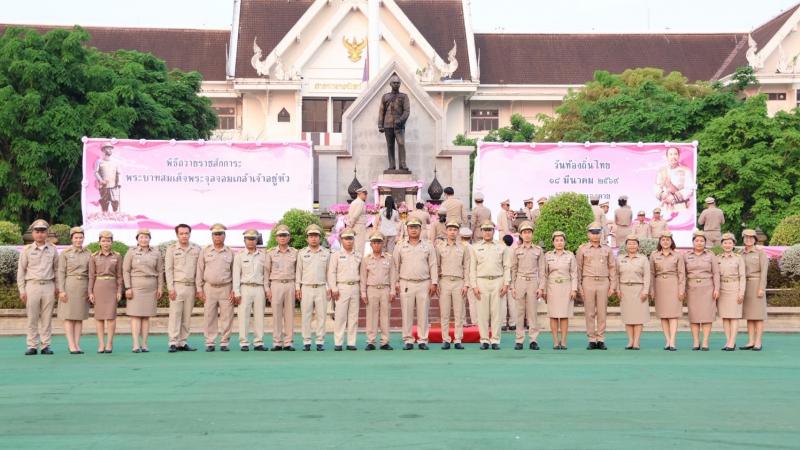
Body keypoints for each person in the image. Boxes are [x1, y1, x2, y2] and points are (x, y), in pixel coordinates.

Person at [394, 217, 438, 350]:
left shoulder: (428, 245)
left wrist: (434, 282)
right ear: (407, 229)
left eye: (416, 227)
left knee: (423, 313)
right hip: (406, 283)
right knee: (406, 313)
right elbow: (395, 266)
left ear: (420, 229)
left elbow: (433, 264)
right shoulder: (400, 245)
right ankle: (408, 339)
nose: (413, 230)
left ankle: (422, 339)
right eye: (411, 227)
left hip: (424, 283)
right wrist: (396, 282)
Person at [18, 219, 59, 355]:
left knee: (47, 318)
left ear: (46, 233)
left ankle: (46, 345)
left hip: (48, 285)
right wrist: (22, 290)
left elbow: (57, 270)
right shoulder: (27, 250)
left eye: (42, 231)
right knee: (32, 317)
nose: (40, 234)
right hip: (32, 286)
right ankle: (32, 345)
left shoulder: (53, 249)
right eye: (37, 231)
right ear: (33, 233)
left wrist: (58, 287)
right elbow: (21, 271)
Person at [469, 220, 511, 350]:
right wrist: (474, 285)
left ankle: (495, 340)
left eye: (490, 230)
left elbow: (507, 266)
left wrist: (506, 283)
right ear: (481, 231)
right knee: (482, 313)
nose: (487, 232)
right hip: (481, 281)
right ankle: (484, 340)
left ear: (494, 231)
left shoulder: (502, 247)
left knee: (497, 313)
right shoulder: (474, 247)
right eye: (485, 230)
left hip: (498, 280)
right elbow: (472, 268)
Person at [576, 222, 617, 350]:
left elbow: (612, 267)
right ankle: (591, 339)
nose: (595, 235)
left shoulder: (607, 249)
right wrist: (579, 286)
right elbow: (578, 268)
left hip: (603, 282)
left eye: (597, 232)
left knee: (602, 311)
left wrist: (612, 285)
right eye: (592, 232)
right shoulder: (582, 249)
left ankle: (600, 338)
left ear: (601, 233)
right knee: (589, 312)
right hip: (588, 281)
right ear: (588, 234)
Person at [196, 223, 235, 352]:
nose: (217, 236)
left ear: (224, 236)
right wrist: (199, 289)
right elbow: (199, 270)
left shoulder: (230, 252)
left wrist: (234, 290)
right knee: (209, 316)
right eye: (215, 234)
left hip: (226, 287)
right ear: (212, 236)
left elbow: (234, 272)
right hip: (209, 288)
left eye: (220, 234)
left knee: (227, 316)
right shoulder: (205, 251)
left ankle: (224, 342)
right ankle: (210, 342)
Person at [123, 228, 163, 353]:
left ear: (150, 239)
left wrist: (160, 287)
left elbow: (160, 271)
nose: (144, 239)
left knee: (146, 316)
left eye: (146, 237)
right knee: (135, 315)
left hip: (151, 287)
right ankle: (135, 344)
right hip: (136, 286)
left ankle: (144, 344)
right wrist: (128, 287)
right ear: (137, 239)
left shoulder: (156, 253)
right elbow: (126, 271)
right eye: (141, 237)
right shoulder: (131, 252)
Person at [164, 224, 200, 352]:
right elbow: (168, 270)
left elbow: (199, 270)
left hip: (191, 286)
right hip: (177, 286)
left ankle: (183, 342)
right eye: (181, 233)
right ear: (177, 235)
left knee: (187, 316)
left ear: (190, 234)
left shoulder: (196, 249)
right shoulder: (172, 249)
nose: (184, 236)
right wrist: (170, 288)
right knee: (175, 315)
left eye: (186, 233)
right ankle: (173, 342)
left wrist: (198, 288)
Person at [511, 221, 546, 350]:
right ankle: (519, 340)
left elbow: (542, 270)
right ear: (521, 235)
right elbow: (513, 269)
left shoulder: (538, 250)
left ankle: (533, 340)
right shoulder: (516, 250)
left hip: (532, 282)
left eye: (529, 232)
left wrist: (541, 287)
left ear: (532, 234)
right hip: (520, 281)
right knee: (519, 312)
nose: (527, 235)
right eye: (524, 232)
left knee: (532, 313)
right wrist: (512, 286)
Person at [296, 224, 331, 351]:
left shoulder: (326, 253)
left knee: (321, 316)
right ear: (307, 238)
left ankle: (320, 341)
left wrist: (329, 287)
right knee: (306, 316)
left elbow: (329, 272)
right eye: (311, 236)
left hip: (321, 287)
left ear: (320, 238)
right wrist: (297, 287)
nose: (313, 238)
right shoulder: (302, 253)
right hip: (306, 287)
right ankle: (306, 341)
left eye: (316, 236)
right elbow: (298, 271)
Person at [56, 226, 90, 354]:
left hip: (83, 286)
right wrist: (61, 290)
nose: (78, 240)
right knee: (69, 316)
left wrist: (90, 290)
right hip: (69, 285)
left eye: (81, 237)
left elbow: (91, 273)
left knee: (79, 316)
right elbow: (61, 272)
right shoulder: (65, 253)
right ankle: (71, 345)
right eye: (76, 238)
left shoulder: (88, 253)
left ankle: (77, 344)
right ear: (71, 239)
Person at [436, 220, 469, 350]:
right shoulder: (440, 247)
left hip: (459, 282)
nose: (452, 232)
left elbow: (466, 266)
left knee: (459, 313)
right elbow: (437, 266)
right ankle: (445, 339)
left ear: (458, 231)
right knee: (444, 313)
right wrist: (436, 282)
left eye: (455, 230)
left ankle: (458, 339)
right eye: (450, 229)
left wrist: (466, 284)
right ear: (446, 231)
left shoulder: (463, 247)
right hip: (444, 281)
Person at [684, 230, 720, 351]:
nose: (699, 243)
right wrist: (683, 289)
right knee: (694, 316)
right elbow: (682, 274)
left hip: (707, 288)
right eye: (697, 241)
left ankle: (705, 342)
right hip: (692, 288)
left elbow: (716, 273)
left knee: (707, 316)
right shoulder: (686, 255)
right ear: (693, 242)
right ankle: (695, 341)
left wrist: (717, 288)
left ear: (705, 243)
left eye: (702, 241)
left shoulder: (711, 255)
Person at [264, 224, 298, 351]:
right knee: (276, 314)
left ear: (289, 237)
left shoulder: (295, 252)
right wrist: (267, 289)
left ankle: (289, 342)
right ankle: (277, 342)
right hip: (276, 284)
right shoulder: (270, 253)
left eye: (285, 235)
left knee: (289, 314)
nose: (282, 238)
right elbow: (266, 272)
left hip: (290, 284)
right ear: (276, 238)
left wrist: (297, 287)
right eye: (280, 235)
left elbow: (298, 271)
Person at [649, 231, 685, 351]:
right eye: (663, 240)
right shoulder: (654, 255)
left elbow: (681, 274)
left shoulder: (677, 255)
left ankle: (673, 341)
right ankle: (667, 340)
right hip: (659, 285)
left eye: (668, 240)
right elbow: (651, 273)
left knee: (673, 315)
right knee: (663, 315)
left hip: (674, 284)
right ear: (660, 242)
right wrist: (652, 289)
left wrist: (681, 290)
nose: (665, 242)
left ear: (671, 241)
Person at [88, 230, 123, 353]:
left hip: (112, 287)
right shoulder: (94, 256)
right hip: (99, 286)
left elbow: (119, 275)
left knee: (111, 316)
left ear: (112, 242)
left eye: (108, 241)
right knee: (99, 317)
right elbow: (91, 276)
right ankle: (101, 344)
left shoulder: (117, 256)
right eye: (103, 241)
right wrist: (90, 292)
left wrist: (119, 290)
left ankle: (109, 343)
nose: (106, 243)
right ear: (99, 242)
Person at [361, 232, 396, 350]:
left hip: (385, 289)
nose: (376, 245)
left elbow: (392, 275)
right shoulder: (366, 259)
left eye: (379, 242)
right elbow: (363, 277)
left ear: (383, 243)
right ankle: (371, 341)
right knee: (371, 316)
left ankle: (385, 341)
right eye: (374, 242)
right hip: (372, 289)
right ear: (371, 244)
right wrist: (363, 292)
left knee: (385, 316)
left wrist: (392, 290)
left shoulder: (389, 258)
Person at [328, 228, 362, 351]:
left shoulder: (358, 255)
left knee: (353, 316)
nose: (348, 241)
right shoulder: (336, 255)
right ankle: (338, 342)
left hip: (355, 286)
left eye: (350, 238)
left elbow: (361, 273)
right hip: (341, 287)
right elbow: (331, 272)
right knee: (340, 316)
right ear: (341, 240)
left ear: (353, 239)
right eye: (346, 238)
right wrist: (334, 288)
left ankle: (351, 342)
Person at [543, 231, 578, 350]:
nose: (559, 243)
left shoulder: (570, 255)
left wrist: (574, 289)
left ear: (565, 242)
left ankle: (563, 341)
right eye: (557, 240)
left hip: (566, 287)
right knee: (553, 315)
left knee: (564, 315)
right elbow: (544, 274)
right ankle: (555, 341)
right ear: (553, 242)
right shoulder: (548, 256)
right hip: (552, 287)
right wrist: (544, 290)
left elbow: (574, 273)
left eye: (561, 240)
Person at [233, 229, 267, 351]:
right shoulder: (239, 256)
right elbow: (236, 275)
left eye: (253, 239)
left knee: (259, 316)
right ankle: (244, 342)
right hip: (245, 288)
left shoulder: (263, 255)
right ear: (244, 240)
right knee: (243, 316)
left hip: (259, 288)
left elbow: (266, 274)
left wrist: (267, 290)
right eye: (248, 239)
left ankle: (258, 342)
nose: (251, 241)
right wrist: (236, 292)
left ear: (257, 240)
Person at [616, 234, 651, 350]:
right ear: (626, 245)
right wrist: (617, 289)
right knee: (628, 316)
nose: (632, 245)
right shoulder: (620, 258)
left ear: (638, 245)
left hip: (639, 289)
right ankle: (630, 340)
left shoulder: (643, 259)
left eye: (634, 243)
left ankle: (636, 341)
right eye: (629, 243)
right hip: (624, 289)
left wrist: (645, 291)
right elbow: (616, 275)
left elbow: (647, 276)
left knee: (638, 317)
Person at [740, 229, 768, 351]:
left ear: (755, 239)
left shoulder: (760, 253)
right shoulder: (740, 253)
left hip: (756, 285)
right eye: (746, 237)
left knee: (758, 315)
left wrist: (761, 287)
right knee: (749, 315)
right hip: (745, 286)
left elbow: (764, 272)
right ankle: (751, 341)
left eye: (751, 238)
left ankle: (758, 342)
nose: (748, 239)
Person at [717, 233, 746, 351]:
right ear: (721, 244)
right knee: (725, 316)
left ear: (733, 244)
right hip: (722, 288)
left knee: (734, 317)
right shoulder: (717, 258)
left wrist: (741, 292)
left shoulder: (738, 258)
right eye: (725, 243)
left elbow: (742, 276)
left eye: (730, 243)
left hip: (734, 287)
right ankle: (728, 341)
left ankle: (732, 341)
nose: (727, 245)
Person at [378, 74, 410, 171]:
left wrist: (400, 120)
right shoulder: (385, 97)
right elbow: (381, 111)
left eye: (398, 83)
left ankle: (402, 164)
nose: (396, 84)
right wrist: (380, 125)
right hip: (387, 125)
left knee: (401, 143)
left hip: (399, 126)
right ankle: (391, 165)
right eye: (394, 83)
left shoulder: (404, 97)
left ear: (400, 84)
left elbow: (407, 111)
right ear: (390, 84)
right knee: (390, 145)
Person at [654, 146, 695, 213]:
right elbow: (656, 187)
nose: (673, 156)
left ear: (678, 156)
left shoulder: (686, 170)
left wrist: (674, 197)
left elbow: (690, 189)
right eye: (671, 154)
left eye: (675, 154)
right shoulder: (662, 171)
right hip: (665, 206)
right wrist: (663, 195)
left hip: (681, 207)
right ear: (667, 157)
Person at [460, 226, 479, 326]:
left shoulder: (458, 246)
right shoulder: (473, 248)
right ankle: (475, 322)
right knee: (473, 301)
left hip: (460, 276)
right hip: (471, 276)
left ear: (460, 236)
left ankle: (463, 321)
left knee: (461, 301)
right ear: (470, 237)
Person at [94, 144, 121, 213]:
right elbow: (96, 172)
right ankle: (105, 214)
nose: (110, 150)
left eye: (111, 149)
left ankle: (115, 213)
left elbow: (118, 173)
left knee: (115, 200)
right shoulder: (99, 161)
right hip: (103, 186)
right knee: (104, 201)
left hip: (114, 185)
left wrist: (119, 182)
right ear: (103, 150)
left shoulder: (116, 162)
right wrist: (101, 180)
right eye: (108, 148)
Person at [499, 234, 517, 331]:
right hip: (512, 277)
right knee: (513, 302)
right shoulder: (514, 251)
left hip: (502, 277)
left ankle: (502, 323)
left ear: (503, 241)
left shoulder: (501, 250)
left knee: (502, 301)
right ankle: (513, 323)